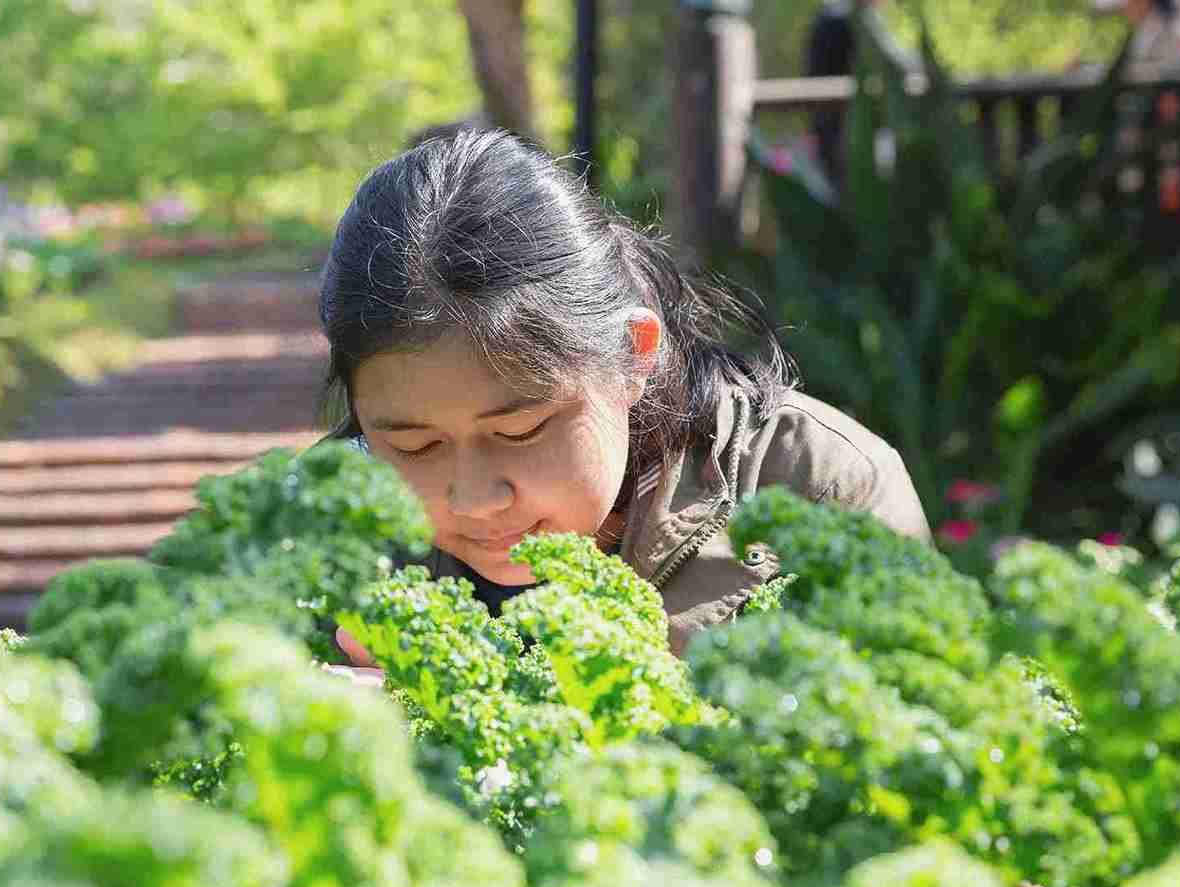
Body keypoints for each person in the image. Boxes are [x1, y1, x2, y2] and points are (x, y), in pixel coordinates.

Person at [316, 128, 930, 679]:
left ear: (635, 355)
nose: (476, 499)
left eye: (521, 430)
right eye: (415, 446)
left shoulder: (825, 489)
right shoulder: (316, 534)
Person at [803, 0, 922, 185]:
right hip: (850, 135)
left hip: (834, 131)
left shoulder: (832, 15)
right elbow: (893, 64)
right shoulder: (846, 18)